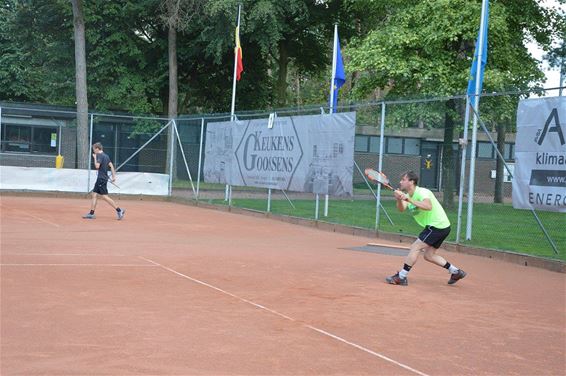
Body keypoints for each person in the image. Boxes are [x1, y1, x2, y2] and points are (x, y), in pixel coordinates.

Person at [386, 171, 466, 286]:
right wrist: (399, 199)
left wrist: (409, 200)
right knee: (429, 255)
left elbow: (428, 206)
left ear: (411, 182)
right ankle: (456, 272)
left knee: (415, 247)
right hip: (441, 226)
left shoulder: (422, 192)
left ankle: (401, 277)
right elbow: (401, 209)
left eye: (403, 179)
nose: (400, 182)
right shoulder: (408, 196)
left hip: (436, 226)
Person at [83, 142, 125, 220]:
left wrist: (95, 158)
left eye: (94, 149)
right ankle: (91, 213)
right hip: (102, 178)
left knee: (104, 197)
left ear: (97, 149)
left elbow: (97, 166)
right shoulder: (106, 156)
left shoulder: (99, 155)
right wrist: (113, 177)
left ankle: (119, 210)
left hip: (101, 179)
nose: (93, 151)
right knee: (94, 194)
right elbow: (111, 166)